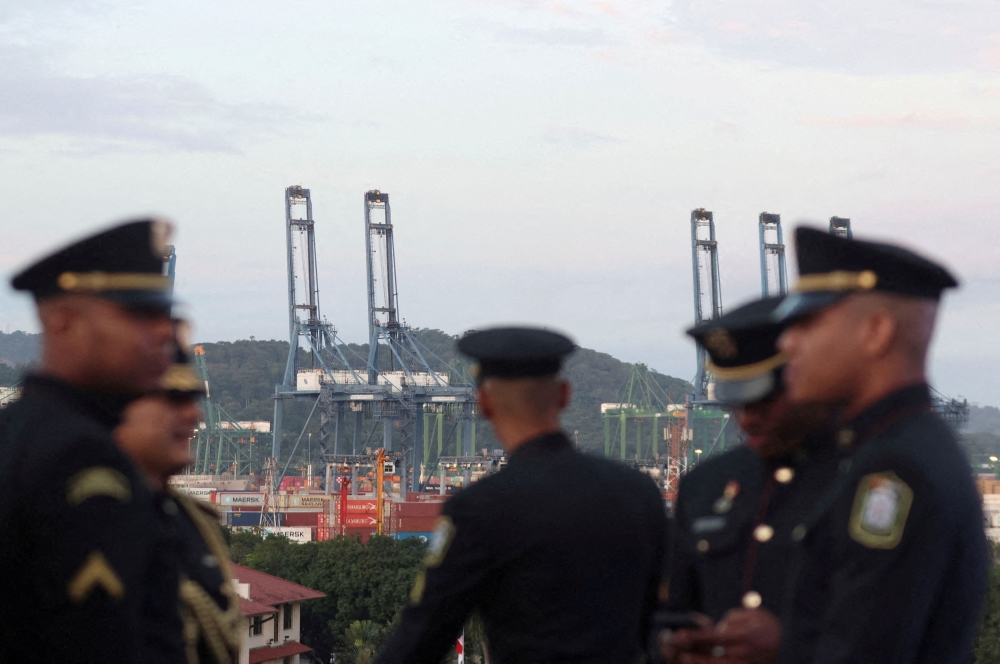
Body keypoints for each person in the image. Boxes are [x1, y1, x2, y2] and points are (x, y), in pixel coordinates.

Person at [750, 227, 987, 663]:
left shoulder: (894, 470)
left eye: (806, 323)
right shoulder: (901, 445)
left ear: (876, 332)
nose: (786, 343)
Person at [376, 327, 668, 664]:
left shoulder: (479, 509)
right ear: (563, 395)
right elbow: (662, 617)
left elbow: (422, 635)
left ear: (484, 403)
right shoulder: (638, 491)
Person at [0, 219, 186, 662]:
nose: (164, 332)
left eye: (164, 313)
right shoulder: (77, 455)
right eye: (139, 313)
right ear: (62, 320)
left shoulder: (23, 431)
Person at [659, 297, 841, 664]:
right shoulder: (706, 485)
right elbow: (669, 611)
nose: (746, 420)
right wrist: (674, 644)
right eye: (737, 404)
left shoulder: (859, 479)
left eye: (762, 403)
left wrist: (790, 646)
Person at [115, 337, 241, 664]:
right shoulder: (89, 520)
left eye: (193, 399)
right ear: (116, 405)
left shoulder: (186, 519)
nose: (193, 414)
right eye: (174, 398)